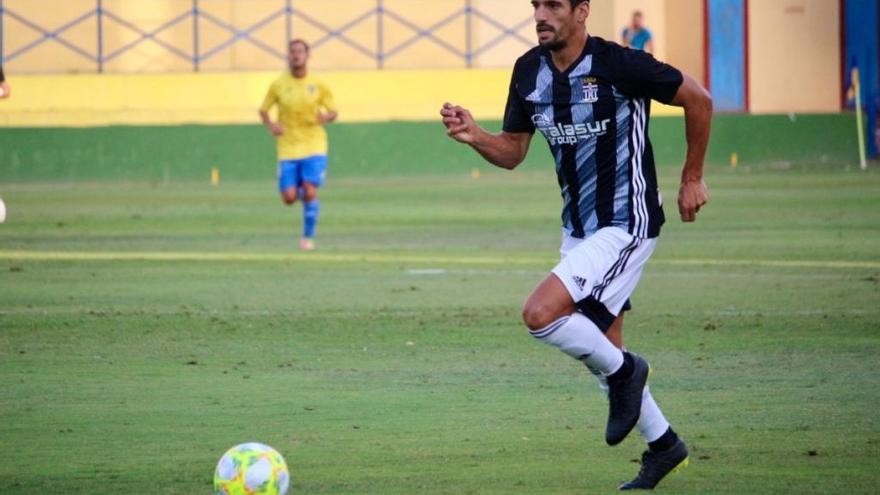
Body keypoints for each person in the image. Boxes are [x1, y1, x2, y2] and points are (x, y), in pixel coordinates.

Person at [440, 0, 712, 490]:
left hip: (627, 221)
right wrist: (476, 135)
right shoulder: (529, 71)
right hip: (579, 230)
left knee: (541, 314)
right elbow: (513, 151)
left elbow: (699, 98)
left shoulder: (620, 64)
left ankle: (629, 373)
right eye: (535, 5)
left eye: (553, 5)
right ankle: (664, 445)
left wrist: (691, 177)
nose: (540, 15)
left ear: (582, 11)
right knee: (602, 350)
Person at [259, 39, 338, 251]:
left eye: (300, 51)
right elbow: (263, 110)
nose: (296, 55)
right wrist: (271, 125)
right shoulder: (278, 84)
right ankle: (303, 193)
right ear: (288, 55)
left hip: (314, 143)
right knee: (289, 198)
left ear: (307, 55)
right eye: (292, 51)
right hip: (288, 146)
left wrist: (326, 117)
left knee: (311, 191)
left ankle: (307, 237)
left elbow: (333, 111)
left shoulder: (318, 84)